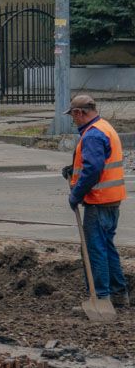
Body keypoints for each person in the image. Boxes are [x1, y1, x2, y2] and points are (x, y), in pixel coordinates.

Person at [63, 94, 129, 307]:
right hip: (112, 201)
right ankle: (119, 295)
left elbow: (93, 169)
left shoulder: (92, 135)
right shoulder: (105, 127)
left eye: (73, 115)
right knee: (107, 247)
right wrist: (73, 171)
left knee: (95, 250)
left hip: (98, 202)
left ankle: (100, 297)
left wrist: (76, 195)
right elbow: (96, 164)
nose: (73, 119)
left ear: (79, 113)